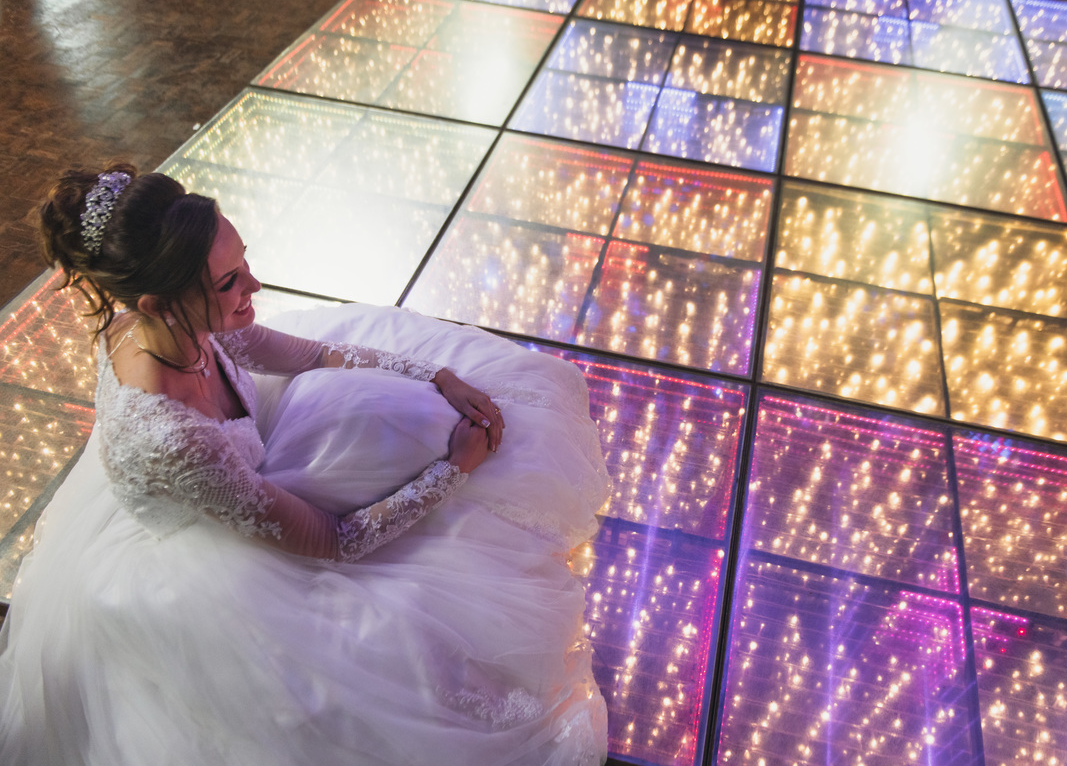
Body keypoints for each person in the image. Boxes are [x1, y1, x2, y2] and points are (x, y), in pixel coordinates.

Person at [0, 163, 611, 765]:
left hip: (233, 473)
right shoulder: (173, 437)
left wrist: (436, 376)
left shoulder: (181, 321)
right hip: (211, 561)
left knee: (400, 405)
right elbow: (333, 540)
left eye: (243, 262)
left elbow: (307, 354)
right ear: (158, 304)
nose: (255, 286)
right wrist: (454, 468)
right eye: (230, 282)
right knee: (393, 649)